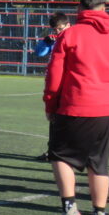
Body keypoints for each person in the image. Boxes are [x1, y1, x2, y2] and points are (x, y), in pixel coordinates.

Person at [43, 0, 109, 215]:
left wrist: (50, 104)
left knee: (59, 156)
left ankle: (70, 209)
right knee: (99, 162)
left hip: (74, 105)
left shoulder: (70, 34)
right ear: (104, 9)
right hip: (105, 108)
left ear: (79, 10)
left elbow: (55, 75)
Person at [34, 12, 70, 161]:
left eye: (60, 28)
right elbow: (39, 53)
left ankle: (68, 152)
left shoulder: (74, 39)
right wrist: (45, 42)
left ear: (68, 25)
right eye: (55, 29)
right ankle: (53, 151)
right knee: (54, 119)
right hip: (56, 87)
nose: (58, 32)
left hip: (69, 87)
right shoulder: (55, 40)